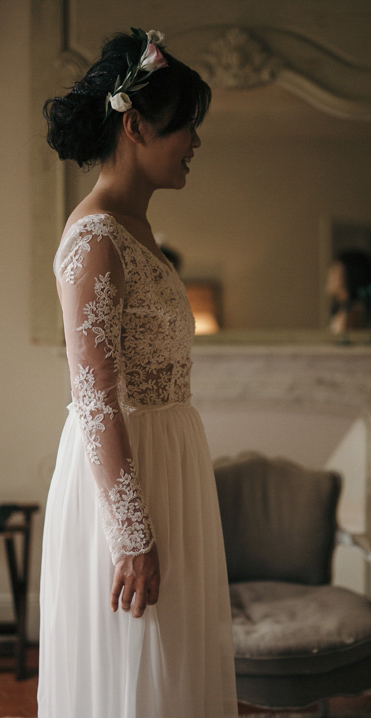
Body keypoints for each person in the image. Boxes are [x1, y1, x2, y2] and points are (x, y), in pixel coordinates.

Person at [40, 29, 237, 717]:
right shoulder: (94, 241)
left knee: (172, 674)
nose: (193, 144)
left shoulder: (138, 227)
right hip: (129, 482)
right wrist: (132, 535)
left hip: (169, 463)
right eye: (186, 128)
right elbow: (95, 402)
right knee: (135, 674)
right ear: (135, 124)